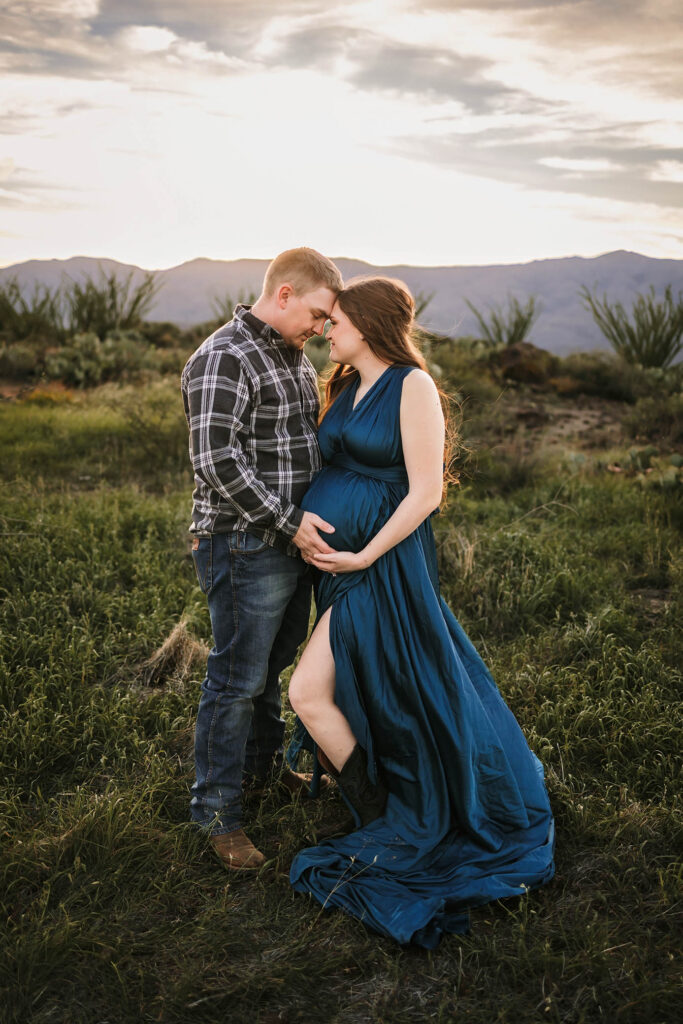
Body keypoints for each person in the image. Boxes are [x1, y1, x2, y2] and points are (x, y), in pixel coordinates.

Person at [287, 277, 555, 947]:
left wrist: (362, 555)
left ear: (371, 323)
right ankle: (390, 806)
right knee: (383, 688)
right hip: (343, 570)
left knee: (311, 691)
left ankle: (393, 816)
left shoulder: (413, 387)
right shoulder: (344, 386)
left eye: (338, 320)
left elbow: (426, 492)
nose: (328, 329)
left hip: (381, 566)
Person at [181, 247, 344, 870]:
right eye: (318, 313)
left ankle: (262, 772)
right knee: (235, 680)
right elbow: (218, 462)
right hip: (245, 542)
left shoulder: (291, 356)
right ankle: (218, 813)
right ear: (283, 295)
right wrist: (289, 527)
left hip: (287, 543)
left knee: (270, 667)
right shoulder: (226, 355)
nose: (322, 328)